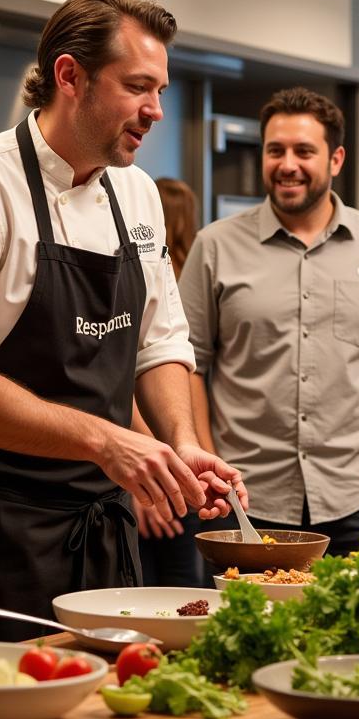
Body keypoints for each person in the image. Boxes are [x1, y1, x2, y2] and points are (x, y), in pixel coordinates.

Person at [0, 0, 245, 639]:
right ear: (70, 76)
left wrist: (180, 443)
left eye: (162, 90)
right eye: (138, 87)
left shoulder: (137, 192)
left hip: (108, 538)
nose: (156, 111)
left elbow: (161, 343)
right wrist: (108, 441)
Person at [180, 87, 359, 558]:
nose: (287, 164)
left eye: (304, 151)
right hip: (247, 499)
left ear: (336, 159)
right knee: (252, 630)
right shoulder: (214, 246)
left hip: (358, 492)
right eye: (275, 150)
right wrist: (203, 452)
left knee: (358, 629)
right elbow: (188, 363)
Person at [132, 177, 210, 586]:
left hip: (173, 465)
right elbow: (120, 381)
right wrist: (143, 467)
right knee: (173, 584)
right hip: (151, 465)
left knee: (173, 586)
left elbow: (173, 362)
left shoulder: (181, 282)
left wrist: (184, 448)